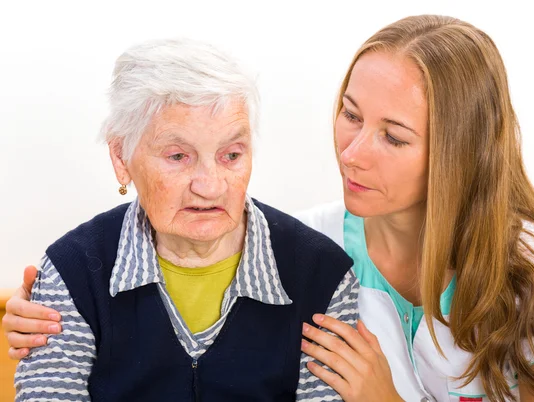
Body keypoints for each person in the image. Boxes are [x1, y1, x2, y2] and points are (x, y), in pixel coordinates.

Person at [5, 15, 534, 402]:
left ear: (459, 153)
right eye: (350, 114)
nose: (353, 152)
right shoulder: (315, 252)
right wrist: (39, 316)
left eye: (394, 136)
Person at [6, 38, 359, 402]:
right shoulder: (73, 272)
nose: (210, 186)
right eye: (178, 156)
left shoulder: (321, 276)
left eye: (231, 155)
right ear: (121, 158)